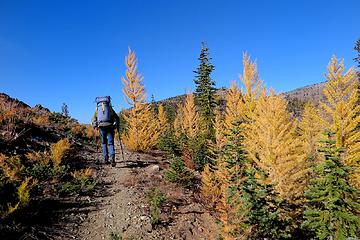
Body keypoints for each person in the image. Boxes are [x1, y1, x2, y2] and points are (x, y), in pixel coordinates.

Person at [92, 96, 119, 166]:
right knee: (110, 143)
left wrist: (95, 126)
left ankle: (105, 159)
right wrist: (116, 125)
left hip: (101, 127)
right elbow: (117, 117)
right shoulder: (109, 108)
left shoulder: (97, 109)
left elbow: (93, 119)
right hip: (110, 126)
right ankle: (112, 157)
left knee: (104, 143)